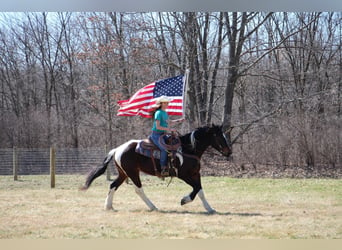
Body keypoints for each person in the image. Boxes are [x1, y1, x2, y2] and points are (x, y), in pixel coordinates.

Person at [150, 96, 185, 177]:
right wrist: (169, 129)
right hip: (156, 135)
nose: (167, 104)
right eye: (165, 103)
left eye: (167, 103)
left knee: (174, 143)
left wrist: (178, 120)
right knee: (164, 148)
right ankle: (163, 168)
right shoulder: (158, 113)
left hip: (163, 134)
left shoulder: (165, 113)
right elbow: (158, 127)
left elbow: (168, 122)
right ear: (161, 104)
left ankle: (173, 165)